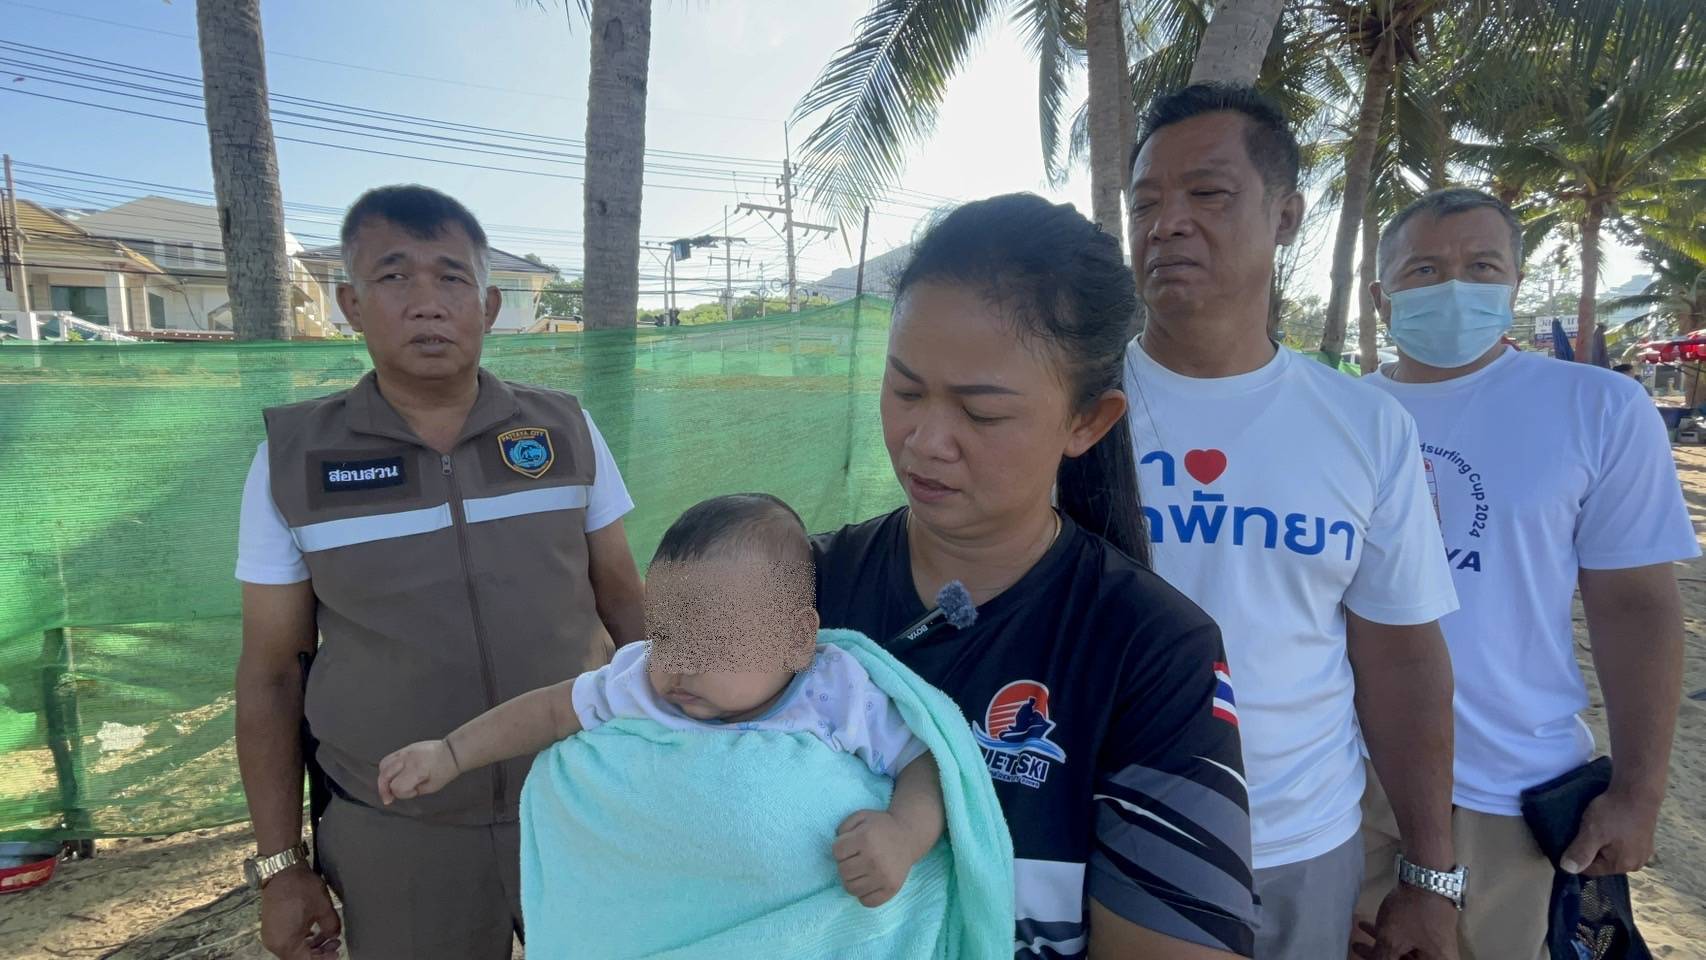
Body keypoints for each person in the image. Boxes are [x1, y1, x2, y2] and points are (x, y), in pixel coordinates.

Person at [813, 192, 1258, 958]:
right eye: (905, 389)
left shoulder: (1152, 651)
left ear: (1087, 421)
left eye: (981, 414)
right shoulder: (801, 585)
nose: (925, 440)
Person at [234, 185, 646, 960]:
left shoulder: (564, 430)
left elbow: (627, 607)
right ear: (350, 304)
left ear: (488, 306)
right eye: (394, 277)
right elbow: (270, 675)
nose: (427, 302)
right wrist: (281, 867)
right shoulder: (293, 462)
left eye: (451, 278)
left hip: (582, 804)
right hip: (396, 835)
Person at [1121, 83, 1462, 960]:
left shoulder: (1366, 426)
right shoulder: (1069, 407)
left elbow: (1402, 657)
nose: (1168, 223)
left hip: (1301, 850)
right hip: (1109, 832)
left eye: (1208, 193)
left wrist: (1430, 871)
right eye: (1147, 201)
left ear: (1285, 216)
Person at [1357, 188, 1697, 960]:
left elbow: (1636, 608)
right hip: (1351, 789)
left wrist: (1639, 792)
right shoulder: (1340, 412)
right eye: (1424, 268)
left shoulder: (1598, 408)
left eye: (1481, 266)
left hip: (1511, 796)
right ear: (1383, 298)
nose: (1453, 287)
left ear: (1513, 283)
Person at [376, 492, 948, 910]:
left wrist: (902, 834)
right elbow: (551, 710)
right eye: (668, 635)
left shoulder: (836, 689)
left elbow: (923, 762)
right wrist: (450, 753)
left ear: (796, 638)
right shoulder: (636, 683)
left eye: (714, 638)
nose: (680, 664)